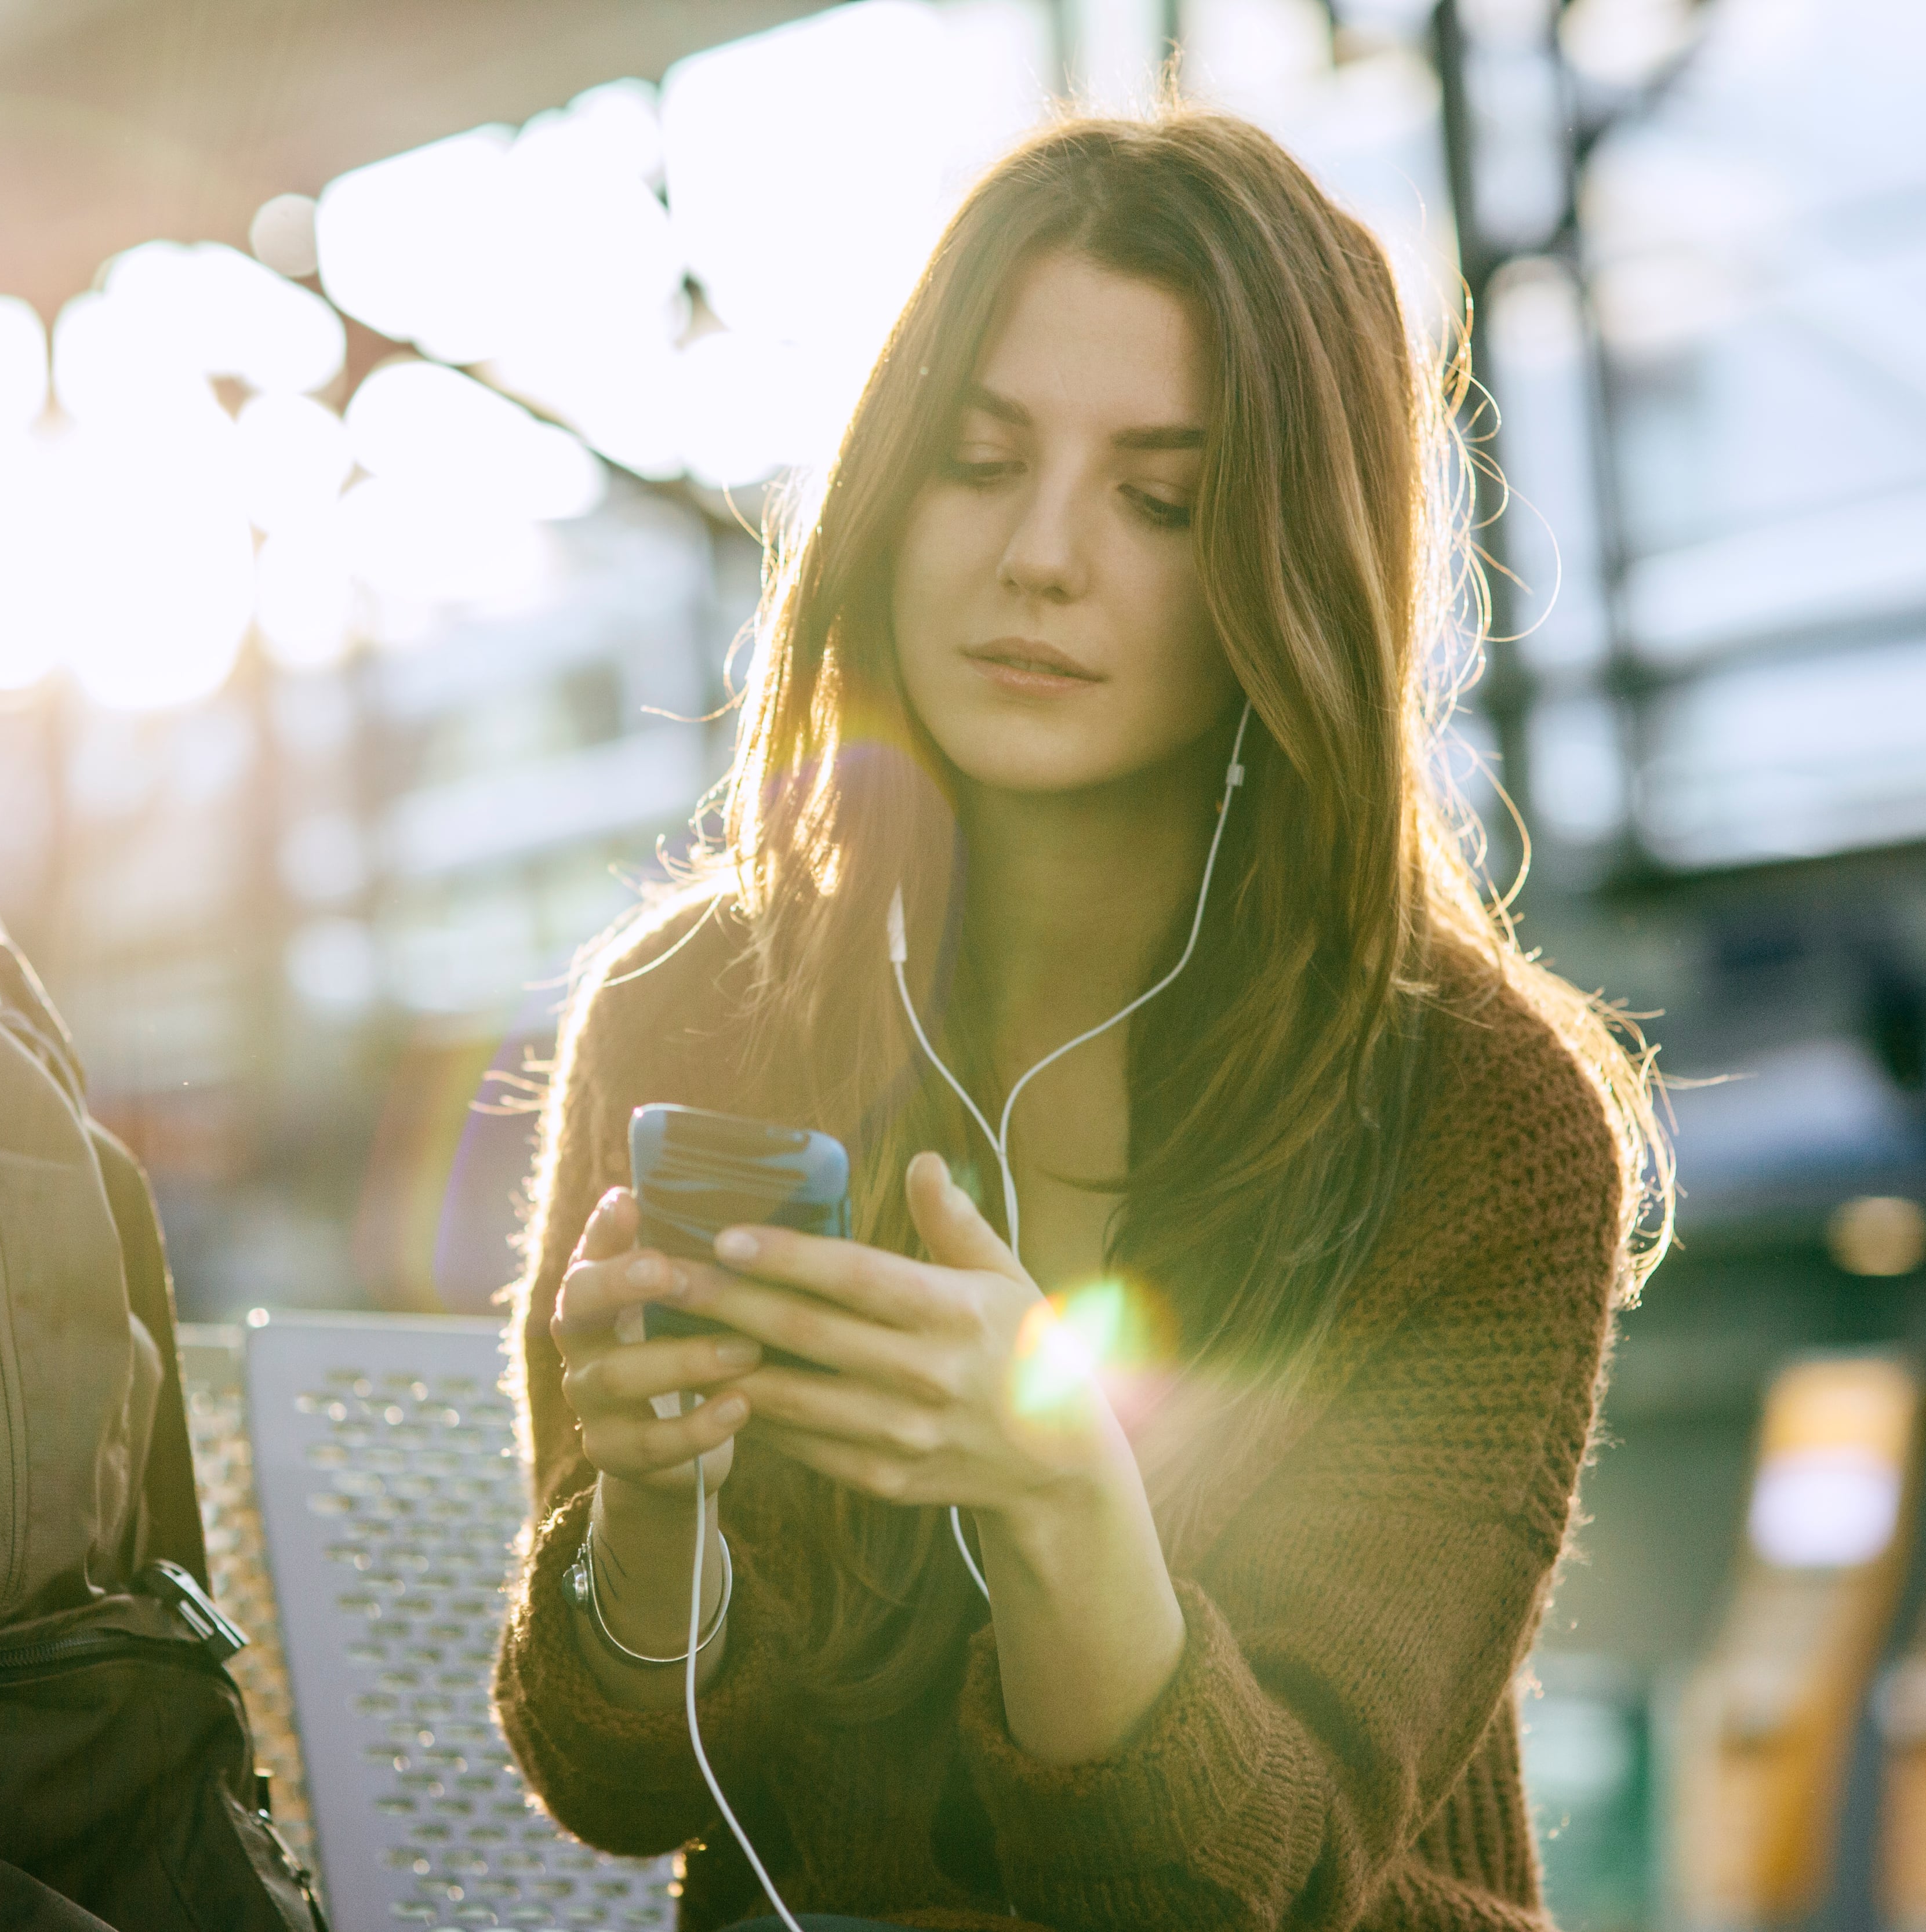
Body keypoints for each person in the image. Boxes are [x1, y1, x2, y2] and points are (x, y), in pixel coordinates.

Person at [491, 106, 1667, 1932]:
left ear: (1289, 567)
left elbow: (1246, 1887)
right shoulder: (695, 1011)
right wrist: (647, 1509)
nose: (1041, 555)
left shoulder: (1476, 1114)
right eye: (978, 461)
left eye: (1160, 500)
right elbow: (621, 1779)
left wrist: (1061, 1508)